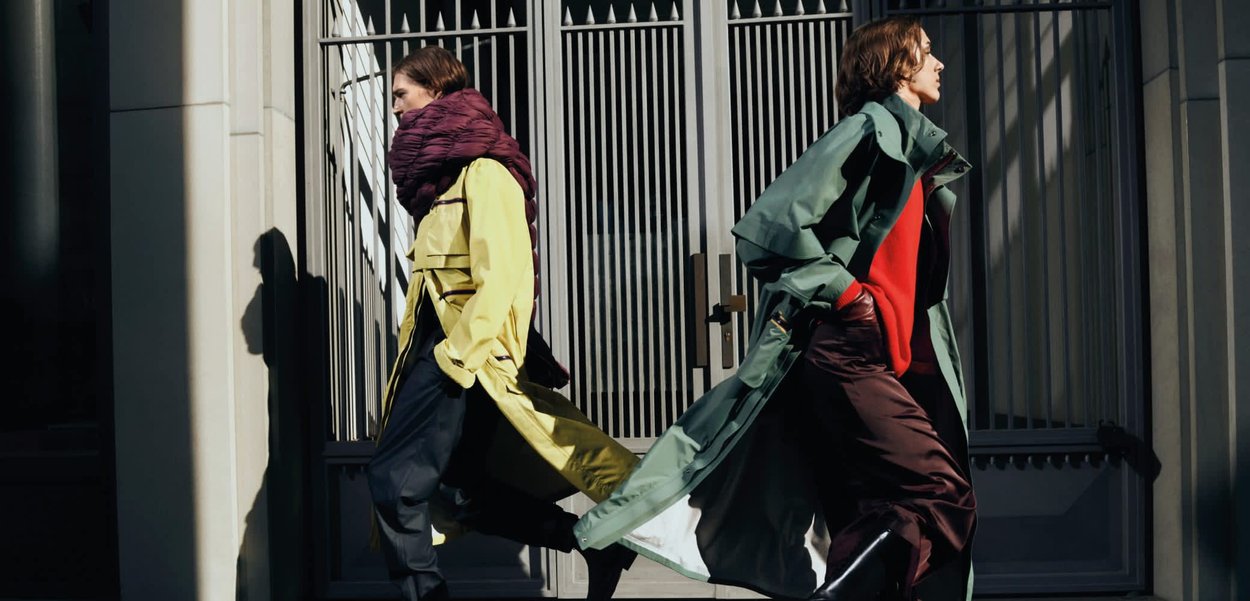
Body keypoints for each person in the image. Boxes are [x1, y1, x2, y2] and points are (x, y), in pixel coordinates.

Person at [573, 16, 977, 601]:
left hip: (872, 360)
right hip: (847, 353)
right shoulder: (871, 127)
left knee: (867, 511)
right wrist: (848, 296)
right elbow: (768, 227)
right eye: (927, 52)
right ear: (895, 64)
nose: (939, 64)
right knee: (940, 491)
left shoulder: (911, 151)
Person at [369, 45, 637, 601]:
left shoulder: (485, 171)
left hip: (460, 356)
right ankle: (594, 544)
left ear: (436, 90)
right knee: (464, 491)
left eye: (401, 93)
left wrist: (457, 357)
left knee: (394, 485)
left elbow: (505, 275)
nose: (394, 107)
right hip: (435, 351)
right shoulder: (437, 182)